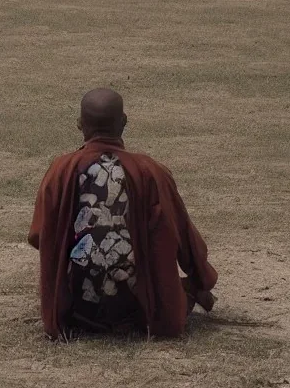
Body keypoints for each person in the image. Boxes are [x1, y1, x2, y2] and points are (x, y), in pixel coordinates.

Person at [28, 88, 217, 339]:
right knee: (181, 286)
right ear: (124, 122)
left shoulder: (61, 171)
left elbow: (39, 235)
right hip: (140, 311)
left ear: (79, 125)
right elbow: (185, 240)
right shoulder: (150, 172)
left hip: (75, 311)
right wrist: (202, 281)